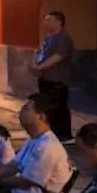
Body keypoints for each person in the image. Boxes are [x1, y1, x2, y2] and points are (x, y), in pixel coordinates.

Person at [32, 11, 74, 142]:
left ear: (59, 22)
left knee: (58, 106)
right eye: (45, 20)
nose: (46, 23)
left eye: (49, 20)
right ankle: (51, 131)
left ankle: (64, 134)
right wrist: (35, 64)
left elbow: (58, 56)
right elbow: (39, 51)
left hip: (57, 78)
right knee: (47, 106)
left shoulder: (63, 38)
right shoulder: (48, 38)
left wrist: (41, 66)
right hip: (45, 77)